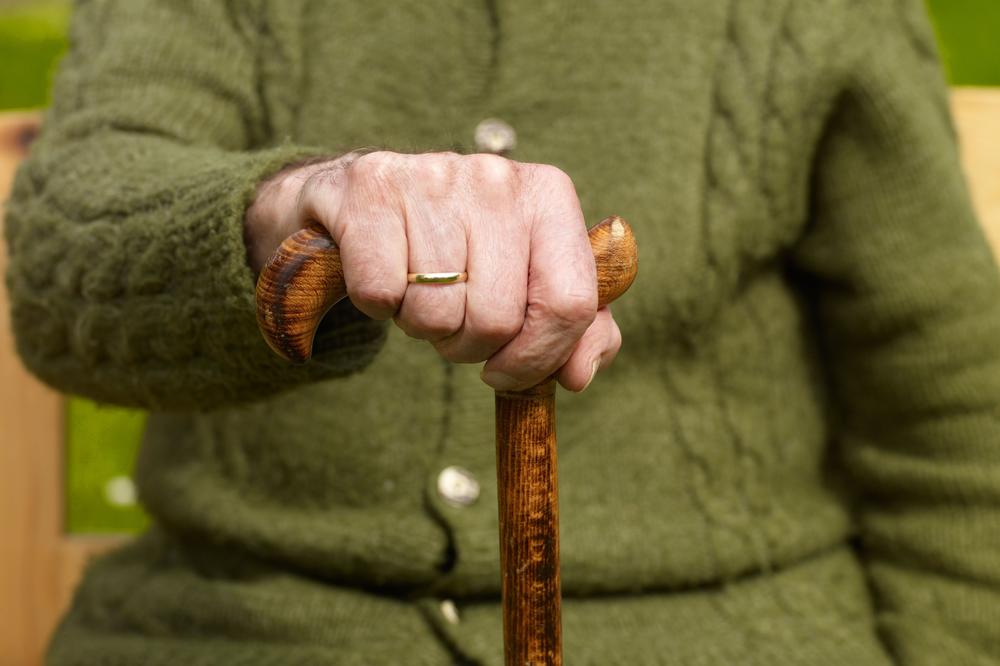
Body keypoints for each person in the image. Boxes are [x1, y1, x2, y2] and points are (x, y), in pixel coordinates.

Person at [6, 1, 1000, 664]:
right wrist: (290, 207)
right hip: (240, 629)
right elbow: (61, 270)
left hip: (723, 632)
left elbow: (956, 414)